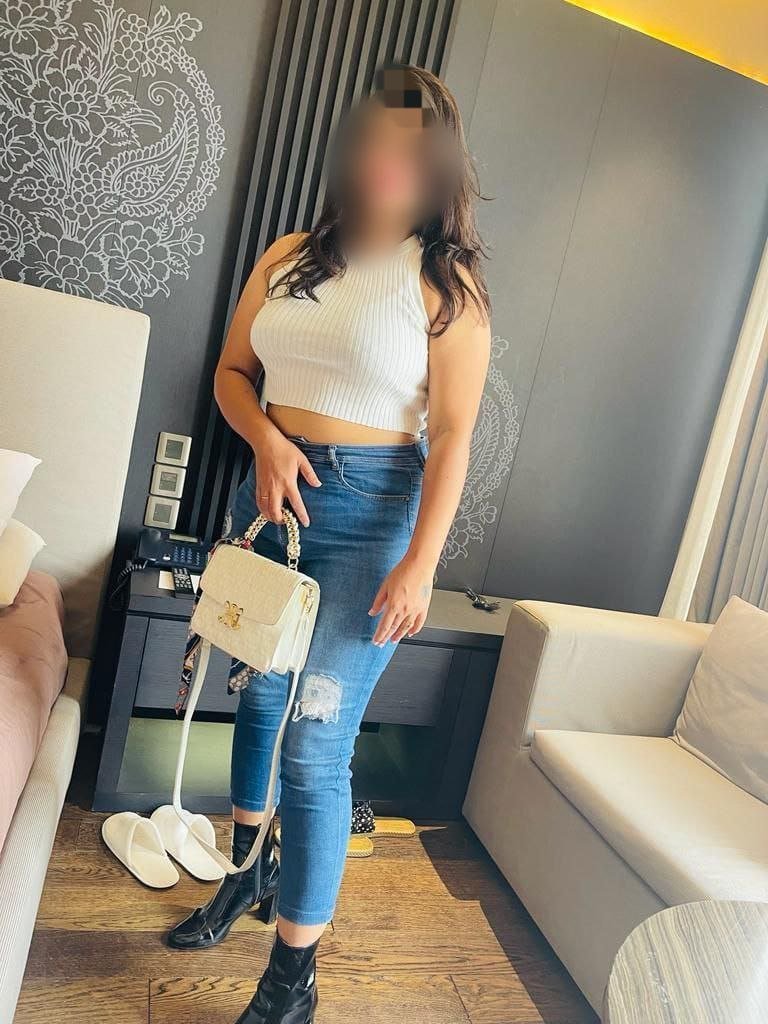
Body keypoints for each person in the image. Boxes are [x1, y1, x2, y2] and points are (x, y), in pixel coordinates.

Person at [167, 63, 491, 1024]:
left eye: (411, 143)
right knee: (256, 697)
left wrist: (421, 563)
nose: (388, 156)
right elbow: (233, 374)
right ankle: (246, 873)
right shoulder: (289, 255)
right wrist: (266, 441)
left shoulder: (446, 286)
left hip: (371, 516)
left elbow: (455, 436)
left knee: (314, 743)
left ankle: (292, 976)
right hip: (270, 497)